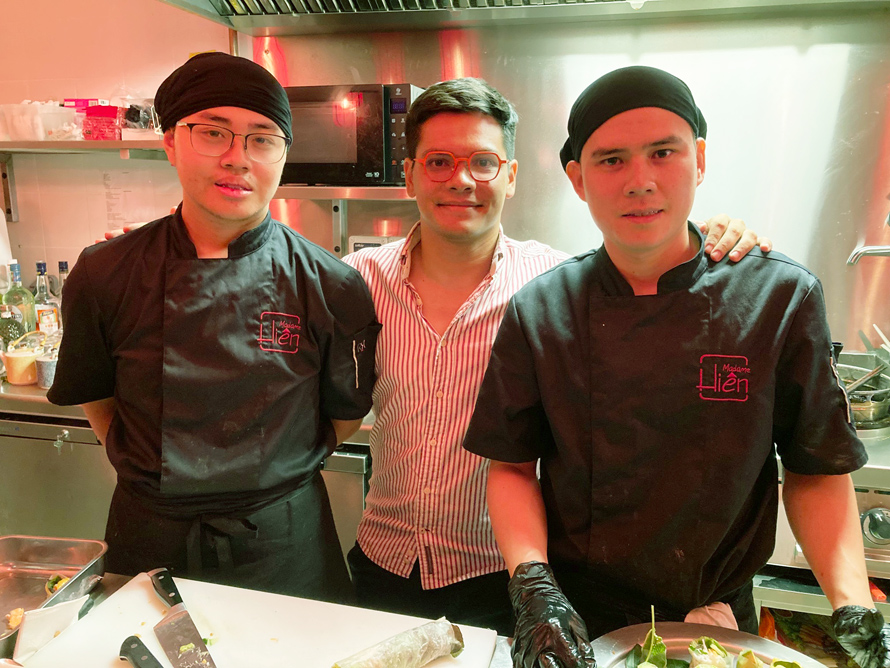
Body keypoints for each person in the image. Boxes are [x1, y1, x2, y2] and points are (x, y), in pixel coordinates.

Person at [462, 65, 889, 668]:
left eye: (663, 152)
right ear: (577, 179)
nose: (641, 181)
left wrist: (851, 603)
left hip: (714, 622)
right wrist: (533, 587)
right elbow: (511, 467)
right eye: (611, 160)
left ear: (700, 159)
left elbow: (815, 469)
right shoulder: (541, 309)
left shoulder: (777, 298)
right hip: (575, 623)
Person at [341, 77, 769, 635]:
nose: (461, 180)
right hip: (383, 562)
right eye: (439, 161)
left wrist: (717, 233)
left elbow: (658, 270)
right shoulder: (356, 281)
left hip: (511, 576)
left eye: (483, 162)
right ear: (410, 174)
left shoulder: (554, 288)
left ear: (511, 176)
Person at [47, 52, 379, 603]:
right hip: (149, 541)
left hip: (285, 544)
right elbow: (101, 402)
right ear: (171, 141)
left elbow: (344, 415)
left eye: (262, 139)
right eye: (213, 133)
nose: (238, 159)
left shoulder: (331, 284)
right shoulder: (105, 273)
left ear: (282, 155)